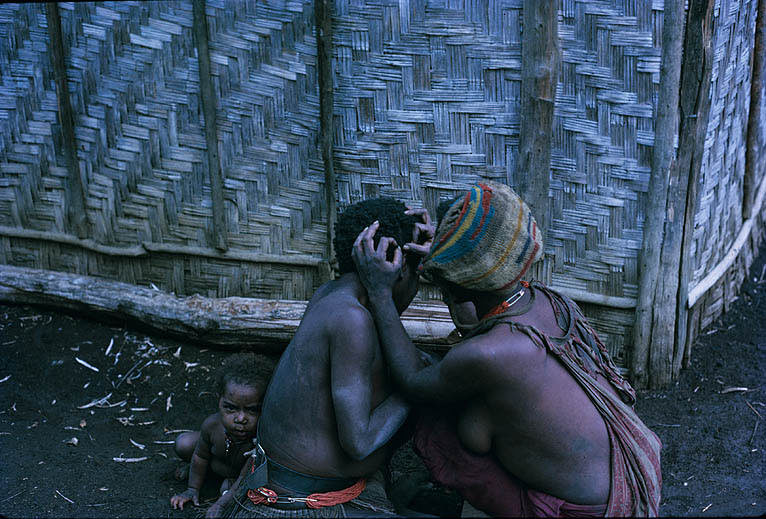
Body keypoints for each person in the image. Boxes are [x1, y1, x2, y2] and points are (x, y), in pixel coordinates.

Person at [352, 180, 662, 517]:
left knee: (442, 422)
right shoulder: (545, 300)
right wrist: (446, 262)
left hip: (594, 510)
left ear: (460, 285)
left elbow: (413, 381)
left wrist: (381, 294)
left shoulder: (490, 355)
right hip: (629, 471)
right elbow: (477, 314)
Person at [208, 197, 430, 518]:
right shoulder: (351, 319)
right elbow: (359, 442)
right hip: (301, 505)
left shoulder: (331, 293)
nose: (417, 283)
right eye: (416, 273)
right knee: (425, 382)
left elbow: (393, 336)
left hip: (290, 487)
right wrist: (413, 386)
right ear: (396, 267)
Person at [170, 353, 268, 510]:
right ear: (219, 400)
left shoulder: (262, 436)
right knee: (184, 444)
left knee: (226, 490)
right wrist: (192, 490)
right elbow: (200, 456)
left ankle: (208, 477)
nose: (241, 418)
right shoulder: (212, 425)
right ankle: (198, 475)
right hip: (215, 461)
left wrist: (220, 505)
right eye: (231, 408)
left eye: (253, 410)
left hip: (236, 475)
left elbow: (244, 476)